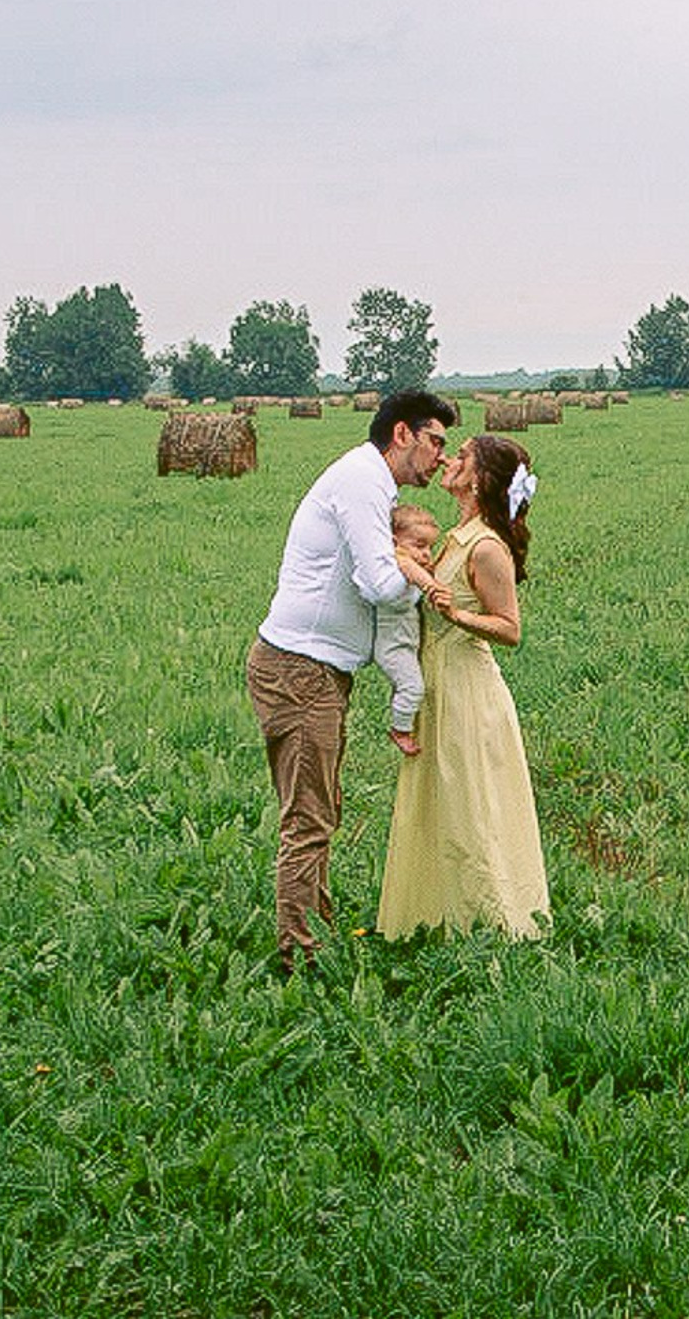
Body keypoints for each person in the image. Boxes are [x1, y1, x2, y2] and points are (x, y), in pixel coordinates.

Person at [247, 389, 460, 969]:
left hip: (311, 668)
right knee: (309, 818)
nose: (441, 457)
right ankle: (301, 957)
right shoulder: (363, 481)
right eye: (435, 441)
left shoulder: (371, 480)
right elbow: (379, 585)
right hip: (300, 669)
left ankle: (315, 926)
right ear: (402, 435)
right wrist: (424, 577)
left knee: (321, 808)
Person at [376, 432, 550, 941]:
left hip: (468, 689)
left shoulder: (488, 546)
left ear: (482, 479)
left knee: (471, 803)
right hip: (436, 682)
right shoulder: (455, 536)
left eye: (464, 456)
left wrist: (459, 617)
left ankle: (489, 923)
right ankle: (435, 918)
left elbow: (510, 629)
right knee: (440, 805)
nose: (450, 459)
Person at [375, 503, 443, 755]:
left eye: (430, 548)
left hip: (405, 644)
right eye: (420, 546)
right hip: (393, 647)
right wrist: (431, 586)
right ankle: (400, 729)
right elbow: (410, 568)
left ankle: (402, 714)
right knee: (413, 687)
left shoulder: (409, 564)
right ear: (395, 542)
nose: (427, 554)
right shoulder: (397, 562)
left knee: (408, 684)